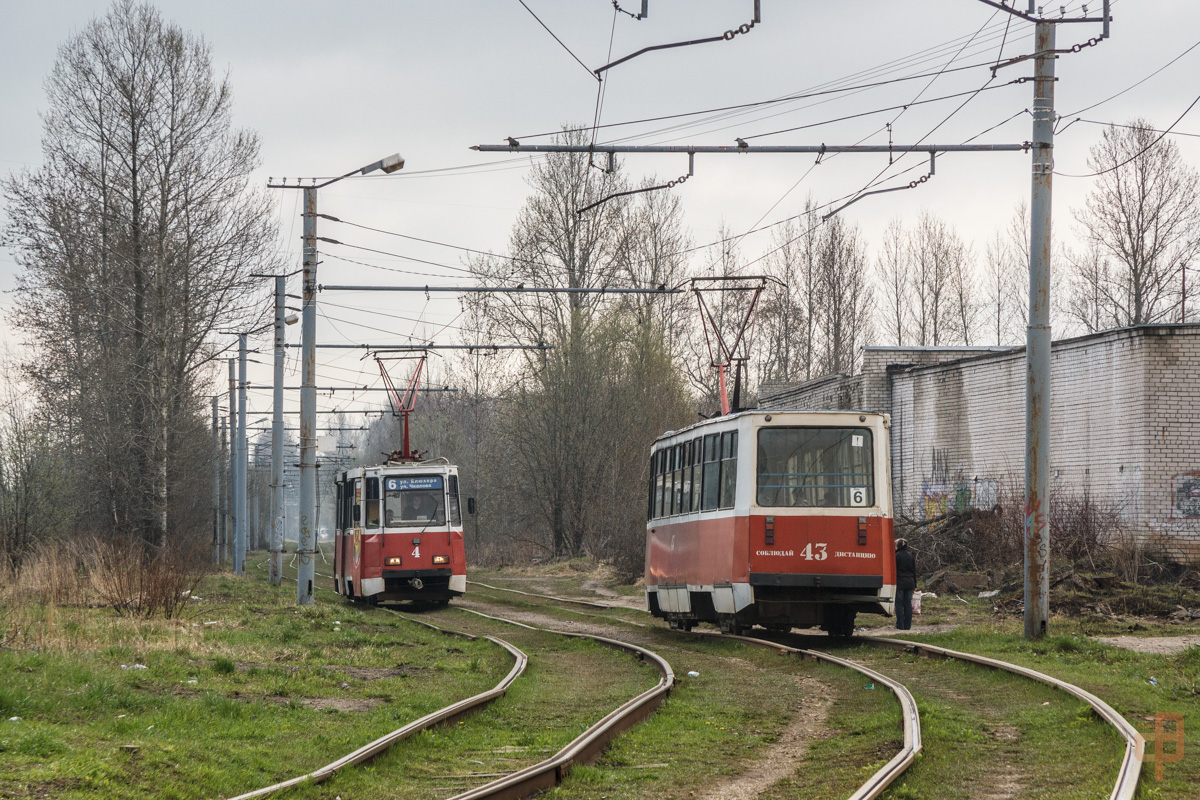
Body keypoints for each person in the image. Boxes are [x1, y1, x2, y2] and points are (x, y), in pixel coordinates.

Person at [895, 538, 916, 630]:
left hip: (900, 582)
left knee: (899, 604)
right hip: (910, 582)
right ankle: (908, 626)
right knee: (908, 604)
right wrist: (915, 584)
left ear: (897, 546)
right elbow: (914, 571)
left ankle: (900, 625)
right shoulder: (910, 556)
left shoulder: (896, 556)